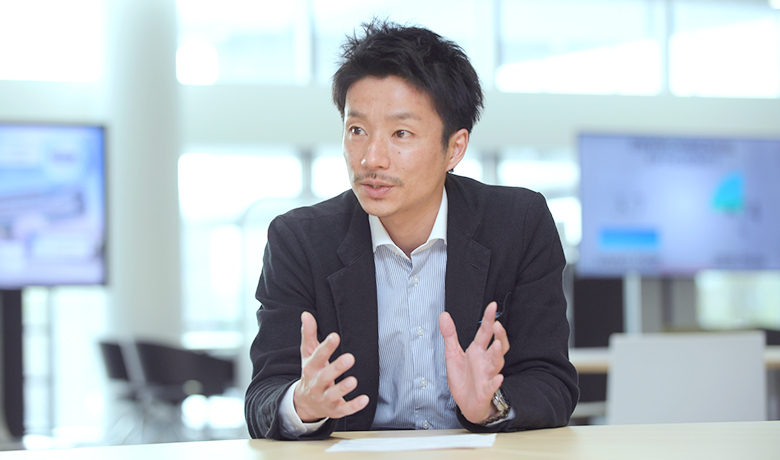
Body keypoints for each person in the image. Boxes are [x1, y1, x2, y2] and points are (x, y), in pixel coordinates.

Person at [244, 19, 579, 441]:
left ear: (454, 148)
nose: (371, 158)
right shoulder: (299, 241)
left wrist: (490, 405)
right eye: (357, 130)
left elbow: (552, 383)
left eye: (401, 133)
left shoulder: (518, 224)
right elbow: (263, 397)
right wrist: (302, 404)